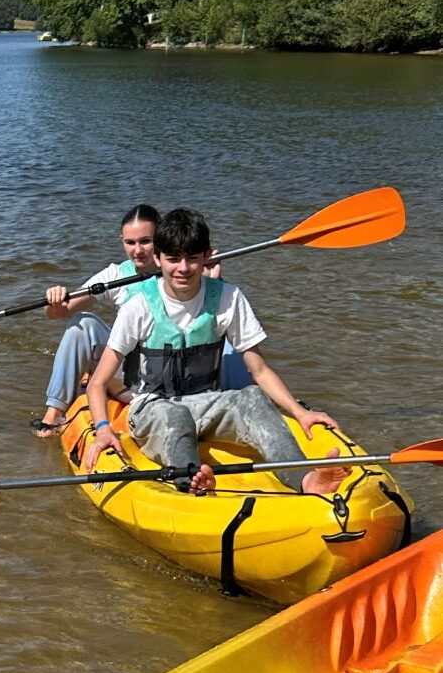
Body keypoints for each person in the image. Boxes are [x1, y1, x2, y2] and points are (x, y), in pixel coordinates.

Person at [83, 207, 348, 497]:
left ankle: (306, 479)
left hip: (208, 403)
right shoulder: (139, 307)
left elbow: (259, 369)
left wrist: (299, 412)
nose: (183, 268)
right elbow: (97, 382)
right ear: (158, 259)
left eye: (192, 258)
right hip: (151, 409)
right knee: (176, 416)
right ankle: (193, 480)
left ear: (207, 256)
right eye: (173, 259)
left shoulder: (227, 297)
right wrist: (103, 428)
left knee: (251, 396)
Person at [33, 205, 161, 436]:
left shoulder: (180, 270)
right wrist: (53, 301)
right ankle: (54, 413)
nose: (138, 250)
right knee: (83, 324)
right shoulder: (114, 275)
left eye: (145, 241)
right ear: (121, 240)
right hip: (128, 365)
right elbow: (60, 313)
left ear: (161, 238)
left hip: (165, 363)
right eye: (130, 243)